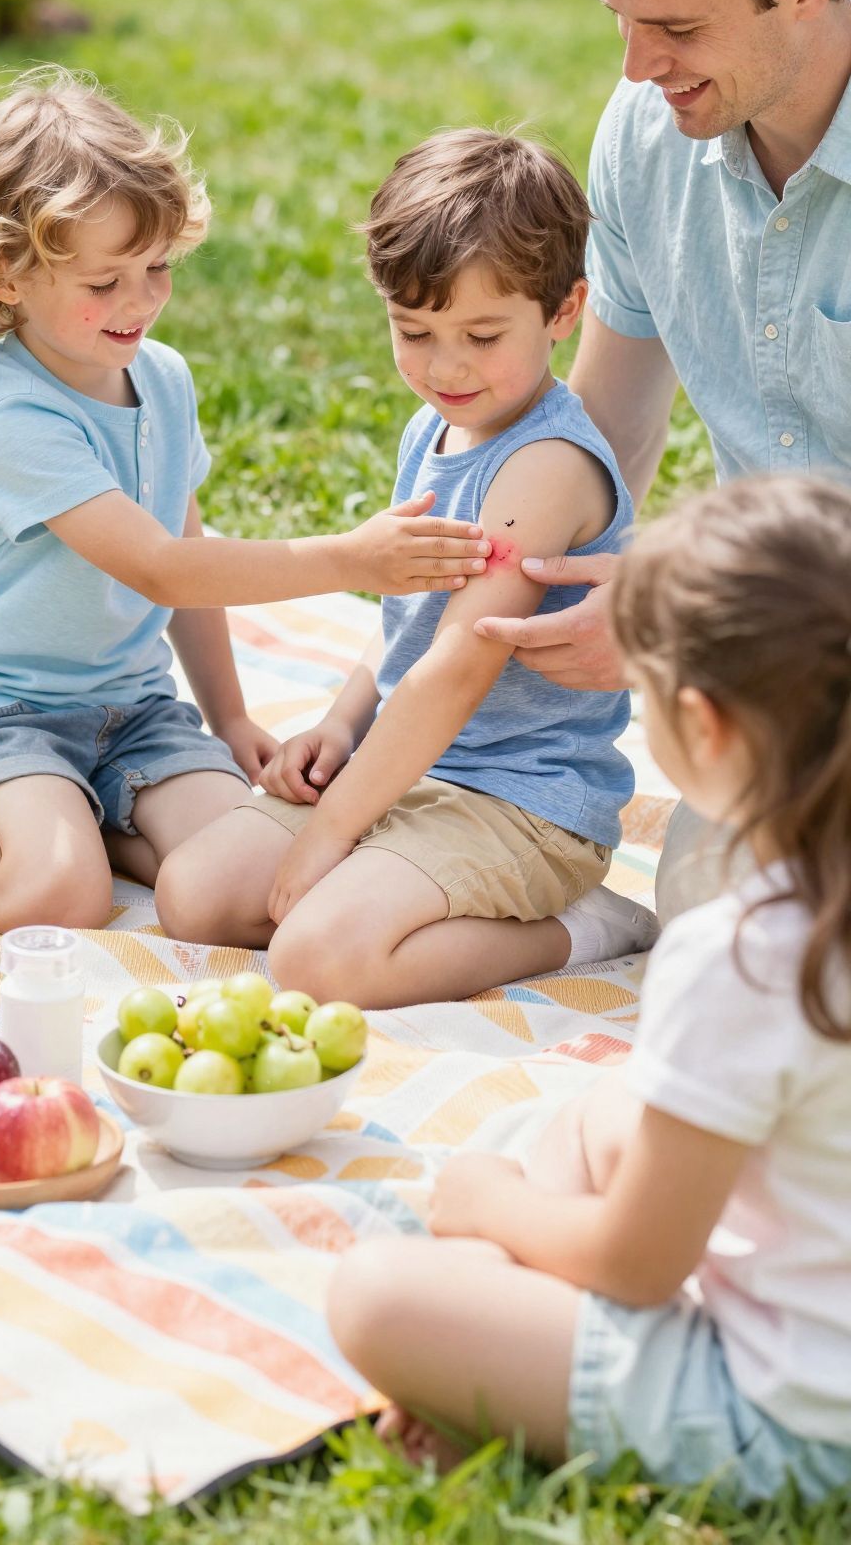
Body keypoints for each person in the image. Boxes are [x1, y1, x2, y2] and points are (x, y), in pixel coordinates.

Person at [0, 71, 488, 932]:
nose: (139, 301)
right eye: (105, 283)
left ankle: (88, 822)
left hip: (133, 711)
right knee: (58, 898)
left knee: (259, 873)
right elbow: (162, 569)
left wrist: (230, 715)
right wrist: (349, 558)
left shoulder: (161, 379)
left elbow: (186, 541)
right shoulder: (10, 419)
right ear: (7, 273)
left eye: (157, 266)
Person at [328, 474, 851, 1503]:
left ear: (702, 727)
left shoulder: (746, 952)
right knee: (598, 1114)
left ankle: (494, 1364)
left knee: (377, 1293)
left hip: (793, 1419)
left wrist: (496, 1204)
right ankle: (505, 1347)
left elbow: (639, 1264)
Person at [155, 129, 657, 1005]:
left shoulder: (544, 467)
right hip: (407, 768)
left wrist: (332, 831)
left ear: (564, 311)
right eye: (414, 331)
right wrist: (344, 727)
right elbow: (410, 628)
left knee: (316, 959)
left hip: (522, 801)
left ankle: (581, 927)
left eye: (482, 334)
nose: (446, 366)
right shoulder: (436, 426)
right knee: (191, 897)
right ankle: (386, 880)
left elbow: (458, 666)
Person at [471, 0, 851, 921]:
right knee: (724, 943)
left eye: (677, 26)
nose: (638, 66)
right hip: (783, 666)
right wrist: (463, 615)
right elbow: (604, 433)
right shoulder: (650, 133)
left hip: (778, 617)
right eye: (623, 20)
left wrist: (681, 604)